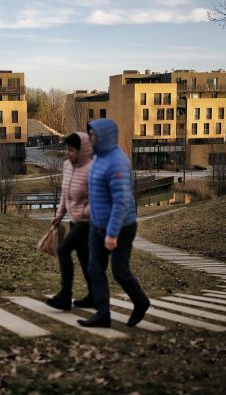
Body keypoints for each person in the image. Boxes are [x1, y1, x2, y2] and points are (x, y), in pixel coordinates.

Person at [77, 118, 150, 328]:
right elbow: (98, 192)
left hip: (121, 227)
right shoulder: (99, 158)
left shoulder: (118, 162)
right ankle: (102, 314)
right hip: (97, 225)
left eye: (93, 135)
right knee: (94, 269)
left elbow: (122, 201)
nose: (90, 138)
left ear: (104, 136)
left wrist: (112, 233)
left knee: (119, 271)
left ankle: (141, 301)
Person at [45, 132, 94, 310]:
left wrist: (84, 212)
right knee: (84, 258)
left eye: (72, 150)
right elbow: (65, 193)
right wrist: (59, 214)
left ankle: (65, 296)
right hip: (74, 220)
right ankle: (94, 296)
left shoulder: (91, 169)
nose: (68, 153)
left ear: (82, 151)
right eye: (67, 149)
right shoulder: (67, 165)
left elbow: (98, 198)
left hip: (88, 223)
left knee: (64, 250)